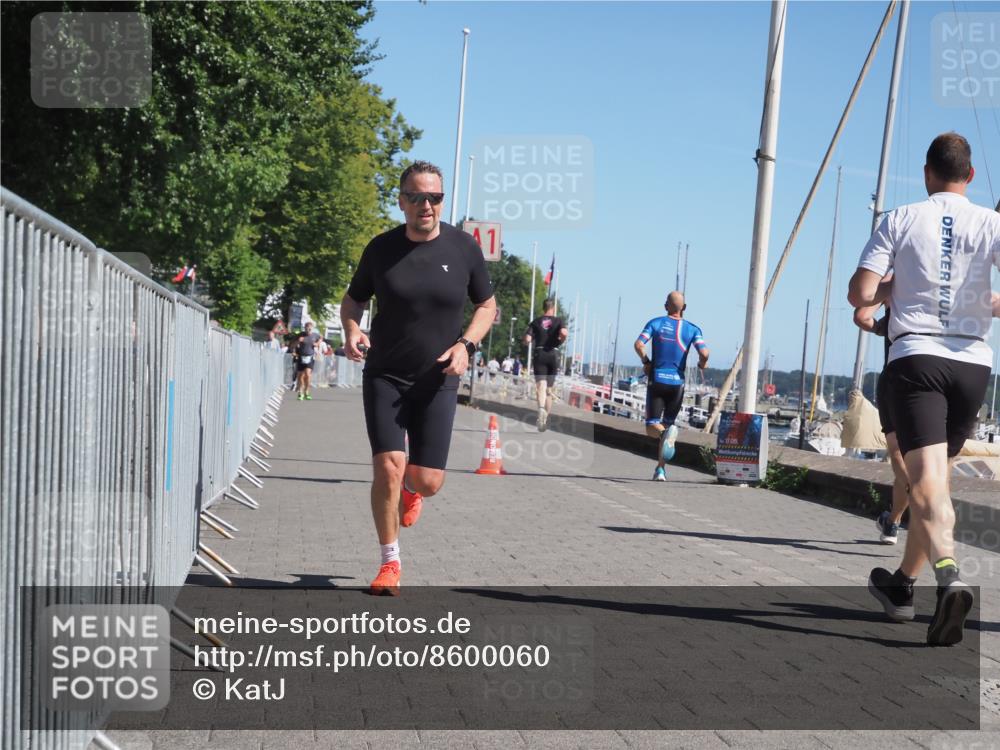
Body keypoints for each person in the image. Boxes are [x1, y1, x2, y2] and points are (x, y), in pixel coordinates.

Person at [848, 132, 1000, 646]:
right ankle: (901, 588)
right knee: (931, 483)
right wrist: (980, 299)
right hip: (972, 366)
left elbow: (862, 295)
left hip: (917, 359)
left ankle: (951, 577)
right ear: (971, 175)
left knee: (929, 484)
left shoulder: (901, 217)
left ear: (926, 172)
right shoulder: (992, 224)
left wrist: (903, 285)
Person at [341, 160, 496, 596]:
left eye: (435, 197)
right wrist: (353, 330)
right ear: (401, 201)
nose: (426, 205)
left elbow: (487, 306)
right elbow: (352, 301)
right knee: (388, 468)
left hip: (438, 377)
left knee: (427, 480)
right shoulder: (381, 248)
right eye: (417, 197)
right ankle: (390, 561)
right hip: (385, 374)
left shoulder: (464, 249)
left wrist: (465, 346)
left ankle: (413, 490)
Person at [634, 291, 709, 481]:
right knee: (667, 426)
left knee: (653, 426)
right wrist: (702, 364)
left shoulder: (655, 323)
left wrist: (646, 361)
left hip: (658, 380)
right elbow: (705, 353)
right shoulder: (693, 329)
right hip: (678, 385)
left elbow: (638, 344)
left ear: (665, 305)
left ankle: (665, 438)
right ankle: (660, 470)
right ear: (684, 308)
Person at [523, 298, 568, 431]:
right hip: (553, 354)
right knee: (549, 390)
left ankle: (541, 409)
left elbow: (528, 338)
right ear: (553, 308)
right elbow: (564, 333)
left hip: (540, 353)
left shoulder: (536, 322)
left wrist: (526, 342)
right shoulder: (558, 321)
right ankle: (545, 418)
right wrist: (561, 340)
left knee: (540, 386)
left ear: (543, 308)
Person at [293, 321, 322, 400]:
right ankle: (300, 392)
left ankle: (307, 391)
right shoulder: (300, 335)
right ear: (305, 328)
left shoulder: (315, 335)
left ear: (312, 329)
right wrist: (298, 341)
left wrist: (317, 344)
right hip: (301, 357)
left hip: (310, 357)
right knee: (300, 376)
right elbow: (293, 345)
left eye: (310, 329)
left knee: (308, 375)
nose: (308, 330)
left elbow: (320, 338)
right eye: (307, 329)